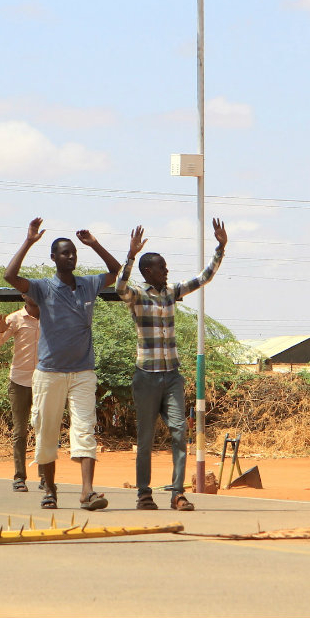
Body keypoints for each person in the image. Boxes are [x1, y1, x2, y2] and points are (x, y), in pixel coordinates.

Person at [4, 218, 121, 510]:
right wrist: (29, 241)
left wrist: (94, 244)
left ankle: (87, 492)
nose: (71, 256)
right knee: (46, 431)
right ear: (53, 258)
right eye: (65, 253)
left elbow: (117, 271)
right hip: (49, 373)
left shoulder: (88, 284)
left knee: (85, 430)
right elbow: (10, 276)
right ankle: (51, 489)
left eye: (74, 253)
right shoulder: (42, 288)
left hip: (83, 372)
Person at [116, 219, 227, 511]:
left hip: (171, 377)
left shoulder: (171, 293)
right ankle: (144, 493)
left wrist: (220, 247)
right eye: (163, 268)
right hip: (146, 377)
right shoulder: (138, 296)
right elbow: (119, 286)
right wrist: (130, 254)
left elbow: (203, 278)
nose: (167, 272)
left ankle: (178, 493)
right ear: (148, 271)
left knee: (180, 431)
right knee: (146, 437)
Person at [0, 294, 40, 492]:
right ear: (24, 295)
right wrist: (0, 332)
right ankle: (19, 477)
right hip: (19, 382)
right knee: (20, 432)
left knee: (44, 430)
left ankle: (45, 477)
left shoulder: (50, 317)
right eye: (30, 291)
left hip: (43, 382)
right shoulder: (15, 318)